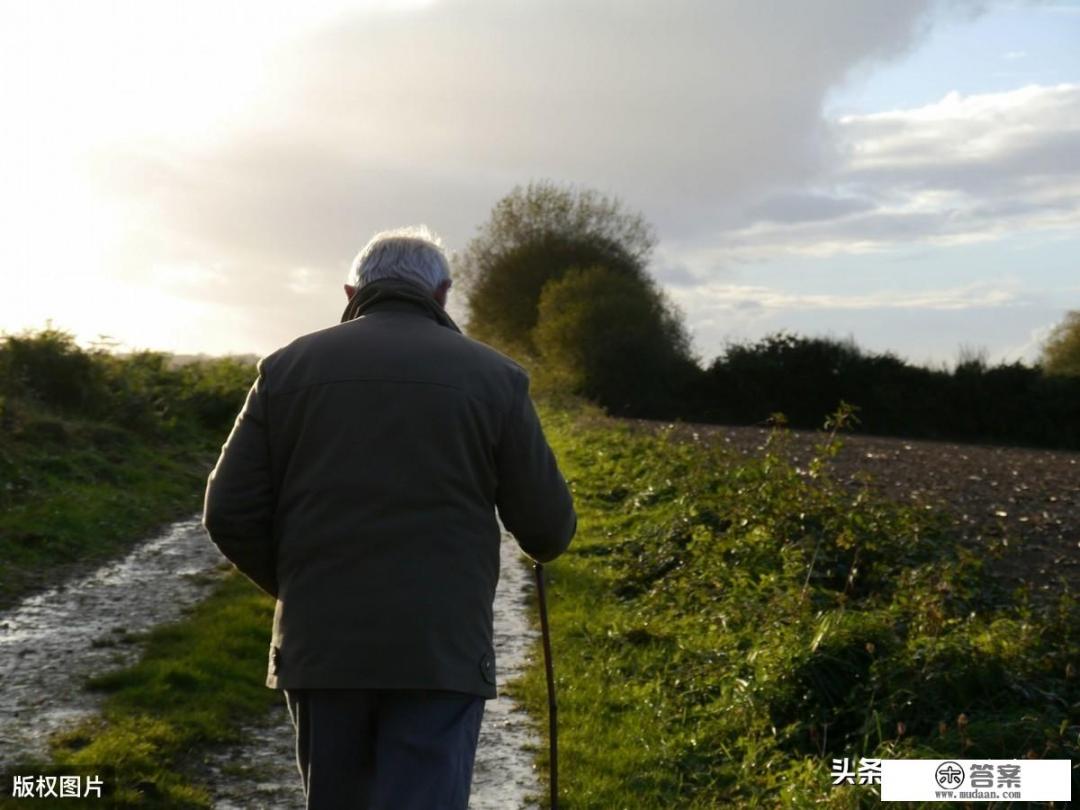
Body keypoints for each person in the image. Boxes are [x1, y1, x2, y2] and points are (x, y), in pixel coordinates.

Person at [201, 226, 577, 809]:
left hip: (323, 641)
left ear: (352, 291)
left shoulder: (285, 368)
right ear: (444, 294)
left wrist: (301, 584)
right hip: (440, 647)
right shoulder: (497, 379)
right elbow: (548, 532)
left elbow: (227, 511)